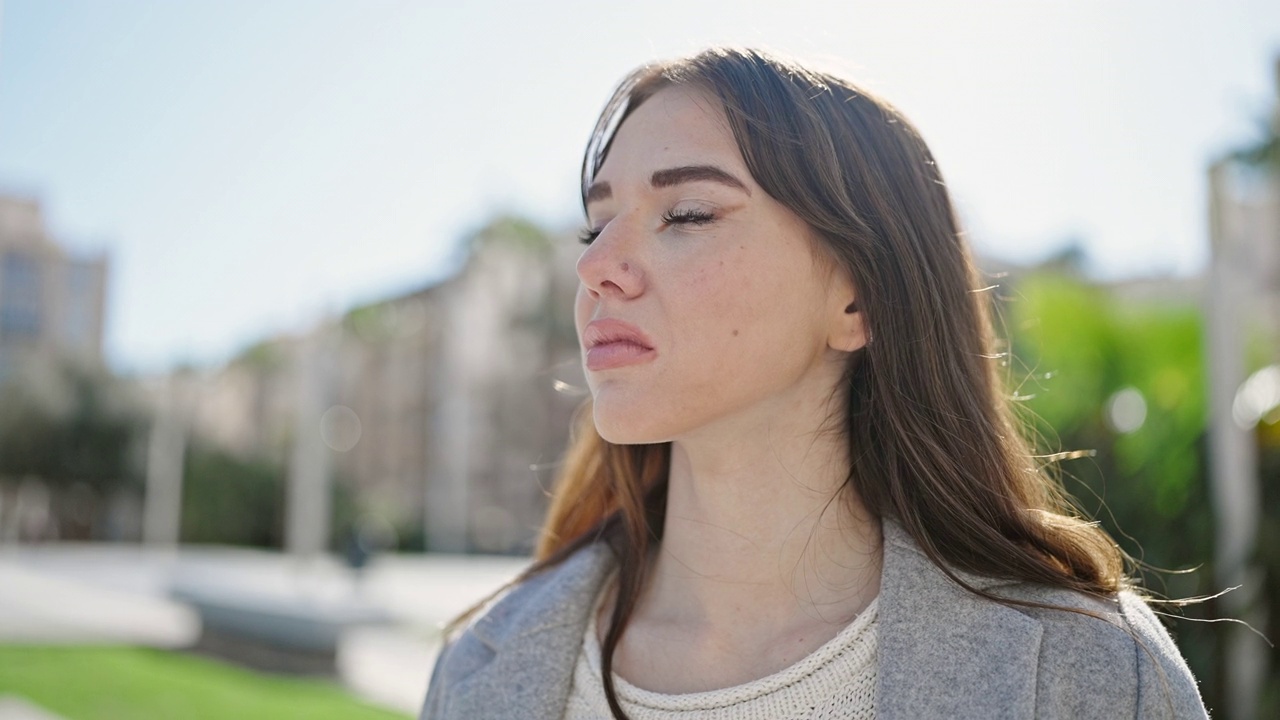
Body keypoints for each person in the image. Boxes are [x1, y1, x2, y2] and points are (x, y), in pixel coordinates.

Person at [420, 47, 1208, 720]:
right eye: (596, 226)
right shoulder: (479, 669)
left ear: (858, 297)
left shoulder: (1094, 674)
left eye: (687, 214)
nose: (594, 268)